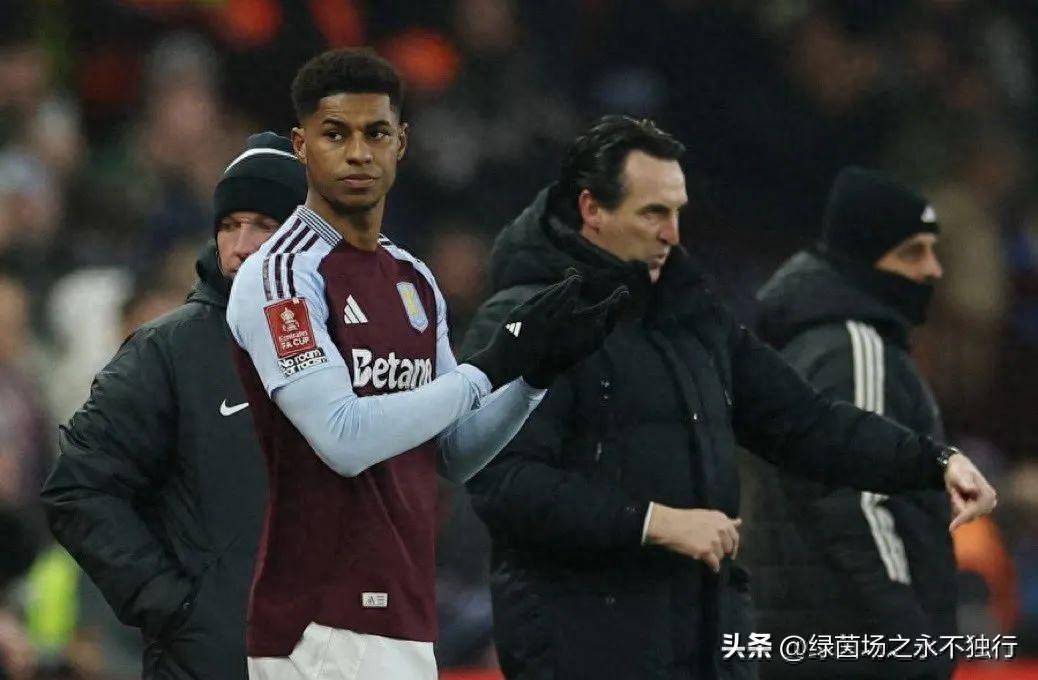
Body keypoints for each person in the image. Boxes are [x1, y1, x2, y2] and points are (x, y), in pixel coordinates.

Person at [460, 116, 997, 680]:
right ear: (592, 209)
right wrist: (652, 522)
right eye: (652, 213)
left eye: (677, 213)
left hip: (705, 647)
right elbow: (501, 481)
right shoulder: (527, 318)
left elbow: (808, 424)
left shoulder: (693, 321)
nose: (672, 234)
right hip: (586, 651)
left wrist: (934, 461)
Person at [226, 49, 625, 680]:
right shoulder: (279, 275)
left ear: (401, 143)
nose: (359, 153)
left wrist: (533, 376)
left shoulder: (414, 280)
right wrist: (488, 367)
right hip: (315, 624)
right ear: (301, 146)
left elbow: (451, 455)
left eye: (376, 133)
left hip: (405, 611)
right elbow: (342, 439)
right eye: (336, 135)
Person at [40, 131, 308, 679]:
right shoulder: (168, 351)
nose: (240, 245)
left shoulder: (355, 343)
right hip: (210, 664)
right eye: (229, 225)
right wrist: (175, 606)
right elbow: (78, 486)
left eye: (263, 225)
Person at [740, 167, 958, 679]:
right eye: (913, 253)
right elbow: (859, 502)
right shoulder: (852, 348)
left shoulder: (809, 343)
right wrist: (911, 644)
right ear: (862, 257)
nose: (933, 270)